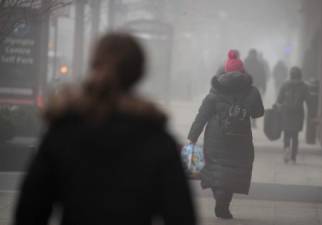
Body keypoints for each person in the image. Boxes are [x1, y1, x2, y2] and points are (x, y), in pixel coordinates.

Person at [13, 32, 196, 225]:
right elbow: (182, 216)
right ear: (139, 73)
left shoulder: (63, 133)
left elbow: (29, 211)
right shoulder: (157, 139)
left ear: (94, 64)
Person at [188, 50, 264, 219]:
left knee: (216, 169)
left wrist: (192, 137)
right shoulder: (251, 91)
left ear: (225, 71)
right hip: (241, 137)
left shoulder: (214, 92)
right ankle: (224, 203)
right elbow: (259, 113)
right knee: (234, 170)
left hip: (216, 138)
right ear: (242, 71)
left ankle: (220, 197)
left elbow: (202, 116)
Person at [275, 67, 311, 164]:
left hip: (286, 113)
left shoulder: (285, 85)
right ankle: (293, 157)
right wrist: (312, 114)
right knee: (295, 136)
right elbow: (309, 101)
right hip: (298, 114)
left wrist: (278, 106)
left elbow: (279, 100)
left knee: (287, 134)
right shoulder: (304, 86)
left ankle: (287, 150)